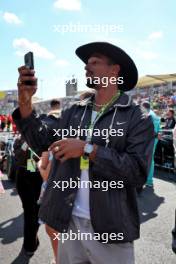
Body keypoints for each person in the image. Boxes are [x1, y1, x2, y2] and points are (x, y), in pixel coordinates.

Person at [13, 42, 154, 264]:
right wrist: (25, 101)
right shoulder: (73, 112)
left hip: (111, 228)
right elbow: (41, 141)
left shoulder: (137, 117)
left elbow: (137, 172)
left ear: (114, 70)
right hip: (68, 222)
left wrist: (88, 150)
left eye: (95, 62)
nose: (87, 67)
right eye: (86, 64)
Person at [11, 135, 42, 264]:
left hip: (39, 175)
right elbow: (17, 157)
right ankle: (30, 245)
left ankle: (32, 238)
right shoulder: (19, 139)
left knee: (38, 212)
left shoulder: (43, 137)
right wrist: (26, 144)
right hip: (24, 177)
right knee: (30, 212)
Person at [141, 101, 161, 187]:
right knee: (151, 159)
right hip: (154, 140)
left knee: (146, 160)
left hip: (149, 140)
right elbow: (158, 130)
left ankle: (147, 180)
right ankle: (149, 180)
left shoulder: (148, 115)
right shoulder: (155, 116)